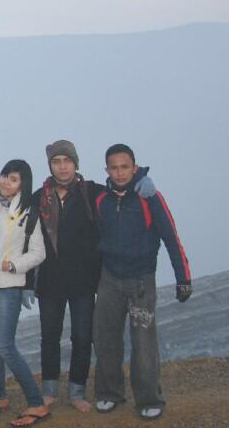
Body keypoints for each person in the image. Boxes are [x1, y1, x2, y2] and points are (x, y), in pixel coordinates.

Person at [33, 139, 155, 411]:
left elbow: (120, 188)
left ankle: (77, 392)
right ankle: (49, 390)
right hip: (50, 281)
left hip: (85, 280)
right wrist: (25, 283)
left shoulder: (92, 192)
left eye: (67, 160)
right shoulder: (38, 197)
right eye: (56, 161)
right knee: (49, 336)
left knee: (82, 336)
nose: (62, 166)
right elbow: (23, 232)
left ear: (76, 163)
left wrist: (143, 181)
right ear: (50, 165)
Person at [93, 144, 192, 421]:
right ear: (107, 170)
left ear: (134, 168)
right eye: (114, 167)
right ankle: (109, 393)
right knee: (105, 339)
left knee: (143, 342)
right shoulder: (102, 201)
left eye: (125, 167)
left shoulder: (150, 197)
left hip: (141, 281)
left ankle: (150, 399)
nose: (120, 172)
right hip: (109, 279)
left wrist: (183, 279)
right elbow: (98, 239)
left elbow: (171, 237)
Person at [0, 160, 51, 428]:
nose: (6, 182)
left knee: (4, 345)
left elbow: (39, 253)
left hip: (9, 286)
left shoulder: (29, 212)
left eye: (13, 179)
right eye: (5, 176)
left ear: (22, 184)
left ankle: (36, 402)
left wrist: (14, 265)